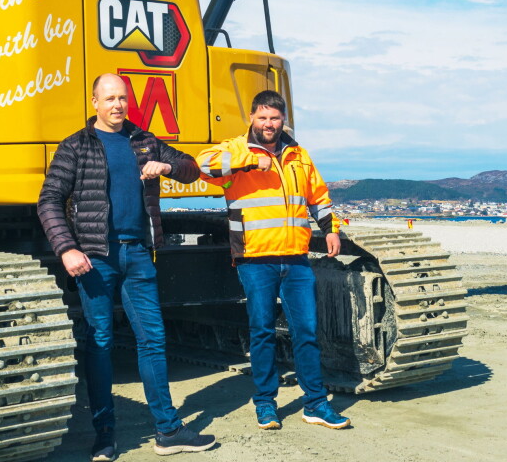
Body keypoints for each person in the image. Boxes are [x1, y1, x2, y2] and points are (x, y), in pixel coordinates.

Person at [38, 73, 216, 460]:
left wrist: (165, 168)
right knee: (100, 343)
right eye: (110, 98)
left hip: (137, 254)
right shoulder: (76, 146)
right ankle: (104, 435)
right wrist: (66, 248)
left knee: (152, 339)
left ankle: (168, 430)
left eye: (123, 98)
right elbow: (49, 199)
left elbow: (190, 167)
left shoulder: (144, 140)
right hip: (95, 258)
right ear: (94, 103)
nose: (118, 105)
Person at [196, 90, 351, 431]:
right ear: (252, 117)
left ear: (283, 121)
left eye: (275, 118)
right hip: (255, 259)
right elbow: (201, 166)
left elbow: (318, 196)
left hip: (295, 259)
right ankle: (265, 404)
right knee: (262, 331)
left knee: (307, 332)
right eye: (262, 117)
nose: (268, 124)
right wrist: (249, 161)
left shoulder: (298, 155)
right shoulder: (236, 149)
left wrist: (330, 229)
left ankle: (315, 404)